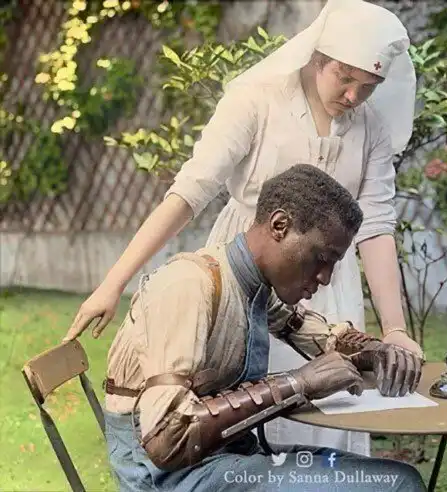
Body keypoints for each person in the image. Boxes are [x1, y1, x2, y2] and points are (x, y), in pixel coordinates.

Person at [65, 0, 421, 456]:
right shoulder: (256, 100)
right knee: (243, 402)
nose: (353, 95)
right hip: (250, 268)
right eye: (344, 78)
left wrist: (394, 329)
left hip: (326, 278)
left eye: (368, 87)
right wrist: (113, 283)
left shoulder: (370, 127)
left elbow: (376, 225)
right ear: (318, 57)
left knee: (333, 406)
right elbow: (188, 193)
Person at [101, 164, 426, 492]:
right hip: (167, 476)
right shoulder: (188, 285)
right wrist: (299, 383)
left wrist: (375, 351)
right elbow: (166, 438)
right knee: (397, 484)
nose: (325, 278)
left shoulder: (250, 285)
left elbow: (319, 335)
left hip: (226, 456)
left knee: (390, 474)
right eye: (321, 258)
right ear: (279, 225)